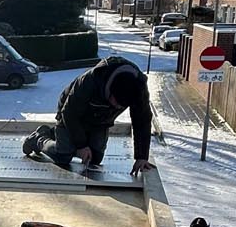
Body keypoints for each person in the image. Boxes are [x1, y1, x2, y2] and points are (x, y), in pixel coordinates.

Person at [22, 55, 154, 176]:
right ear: (110, 90)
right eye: (116, 103)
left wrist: (141, 157)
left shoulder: (138, 88)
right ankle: (39, 138)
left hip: (101, 119)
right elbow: (70, 114)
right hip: (71, 112)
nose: (117, 108)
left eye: (122, 106)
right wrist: (81, 146)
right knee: (63, 156)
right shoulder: (91, 80)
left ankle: (60, 134)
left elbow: (142, 121)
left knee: (94, 159)